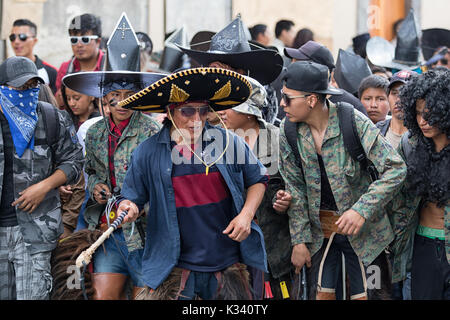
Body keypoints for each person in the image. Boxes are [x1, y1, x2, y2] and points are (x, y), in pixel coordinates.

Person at [116, 66, 268, 300]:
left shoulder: (229, 143)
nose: (196, 120)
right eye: (187, 112)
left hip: (226, 263)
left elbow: (258, 179)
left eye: (203, 112)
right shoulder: (147, 152)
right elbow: (131, 197)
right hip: (173, 265)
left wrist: (246, 215)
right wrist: (129, 207)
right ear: (170, 111)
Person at [278, 61, 406, 300]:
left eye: (288, 98)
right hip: (320, 238)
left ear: (311, 100)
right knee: (320, 294)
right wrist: (299, 241)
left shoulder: (352, 120)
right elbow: (294, 187)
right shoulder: (289, 131)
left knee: (372, 293)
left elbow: (396, 169)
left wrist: (361, 210)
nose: (282, 104)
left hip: (368, 239)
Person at [61, 13, 165, 300]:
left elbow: (162, 183)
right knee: (101, 295)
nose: (121, 102)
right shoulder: (94, 133)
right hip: (107, 231)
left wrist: (139, 203)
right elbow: (91, 171)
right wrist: (95, 185)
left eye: (129, 93)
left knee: (146, 295)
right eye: (114, 95)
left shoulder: (154, 132)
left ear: (140, 95)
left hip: (145, 234)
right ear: (104, 97)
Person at [0, 56, 84, 300]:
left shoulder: (50, 118)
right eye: (20, 87)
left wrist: (45, 186)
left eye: (32, 86)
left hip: (35, 232)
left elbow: (74, 161)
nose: (27, 92)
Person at [217, 77, 294, 299]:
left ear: (250, 112)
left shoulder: (279, 141)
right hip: (231, 250)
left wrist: (286, 201)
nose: (222, 112)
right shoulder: (217, 142)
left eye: (230, 106)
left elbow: (299, 189)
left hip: (276, 250)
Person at [389, 68, 450, 300]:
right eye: (417, 113)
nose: (422, 121)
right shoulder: (410, 144)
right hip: (422, 245)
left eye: (430, 113)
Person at [179, 16, 283, 125]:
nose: (211, 78)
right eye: (211, 70)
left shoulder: (258, 123)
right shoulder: (194, 108)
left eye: (220, 72)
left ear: (240, 75)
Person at [284, 40, 368, 117]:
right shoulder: (289, 100)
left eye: (297, 64)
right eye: (292, 62)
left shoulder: (351, 106)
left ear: (317, 69)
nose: (290, 68)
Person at [55, 13, 105, 108]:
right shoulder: (65, 69)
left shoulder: (110, 66)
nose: (79, 45)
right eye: (74, 40)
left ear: (98, 41)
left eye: (85, 39)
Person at [10, 19, 57, 93]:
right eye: (12, 37)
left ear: (34, 41)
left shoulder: (50, 72)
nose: (16, 41)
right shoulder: (5, 71)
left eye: (22, 37)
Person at [376, 70, 417, 149]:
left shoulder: (424, 135)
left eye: (405, 93)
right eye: (394, 93)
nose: (399, 99)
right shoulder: (377, 131)